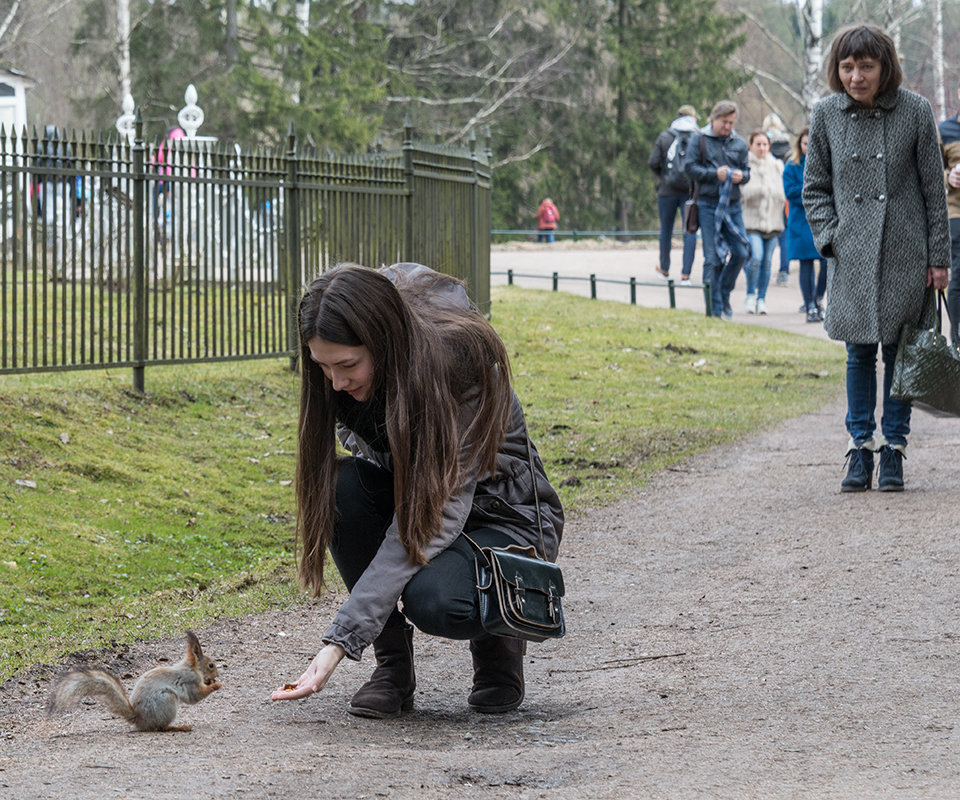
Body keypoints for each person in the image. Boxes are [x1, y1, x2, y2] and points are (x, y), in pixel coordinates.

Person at [271, 262, 564, 717]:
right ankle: (393, 666)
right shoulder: (344, 379)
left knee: (439, 602)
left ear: (385, 343)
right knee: (337, 487)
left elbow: (434, 516)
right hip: (417, 498)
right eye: (323, 367)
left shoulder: (457, 366)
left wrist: (339, 643)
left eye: (348, 365)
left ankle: (499, 639)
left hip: (498, 514)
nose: (337, 383)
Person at [803, 24, 950, 492]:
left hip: (906, 254)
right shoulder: (826, 113)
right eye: (848, 66)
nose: (856, 76)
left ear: (885, 67)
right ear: (837, 69)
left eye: (867, 66)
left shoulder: (915, 111)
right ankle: (859, 448)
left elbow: (934, 190)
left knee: (901, 352)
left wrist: (939, 258)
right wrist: (831, 237)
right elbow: (815, 188)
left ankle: (895, 450)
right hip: (850, 256)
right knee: (858, 353)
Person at [683, 100, 751, 319]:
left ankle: (723, 293)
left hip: (732, 205)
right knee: (713, 258)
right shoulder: (699, 139)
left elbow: (747, 171)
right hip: (708, 204)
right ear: (713, 119)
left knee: (742, 252)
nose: (728, 127)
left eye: (731, 122)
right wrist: (714, 174)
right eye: (724, 122)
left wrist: (742, 177)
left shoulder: (739, 143)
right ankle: (714, 310)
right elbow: (690, 168)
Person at [648, 104, 700, 282]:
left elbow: (653, 162)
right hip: (690, 192)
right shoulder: (697, 137)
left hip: (667, 191)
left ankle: (664, 269)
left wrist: (664, 176)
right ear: (692, 118)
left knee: (666, 230)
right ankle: (686, 275)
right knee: (690, 231)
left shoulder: (665, 136)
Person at [783, 127, 827, 323]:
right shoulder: (791, 166)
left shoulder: (826, 163)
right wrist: (812, 193)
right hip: (801, 221)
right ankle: (809, 304)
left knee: (826, 263)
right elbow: (790, 192)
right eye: (805, 143)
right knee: (806, 264)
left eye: (811, 143)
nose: (808, 147)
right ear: (799, 145)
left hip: (822, 221)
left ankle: (818, 298)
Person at [740, 130, 786, 315]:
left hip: (773, 222)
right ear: (750, 145)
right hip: (752, 222)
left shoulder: (776, 166)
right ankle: (750, 294)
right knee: (756, 257)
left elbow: (782, 194)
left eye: (765, 144)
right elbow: (745, 193)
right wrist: (763, 189)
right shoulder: (745, 165)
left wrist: (771, 192)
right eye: (758, 144)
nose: (762, 148)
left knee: (767, 262)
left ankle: (762, 299)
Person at [939, 88, 960, 346]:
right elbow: (933, 171)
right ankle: (957, 338)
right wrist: (949, 177)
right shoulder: (945, 130)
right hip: (957, 213)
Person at [763, 113, 793, 286]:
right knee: (785, 234)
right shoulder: (789, 148)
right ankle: (784, 271)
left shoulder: (764, 145)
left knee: (766, 232)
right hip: (786, 196)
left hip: (769, 195)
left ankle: (762, 268)